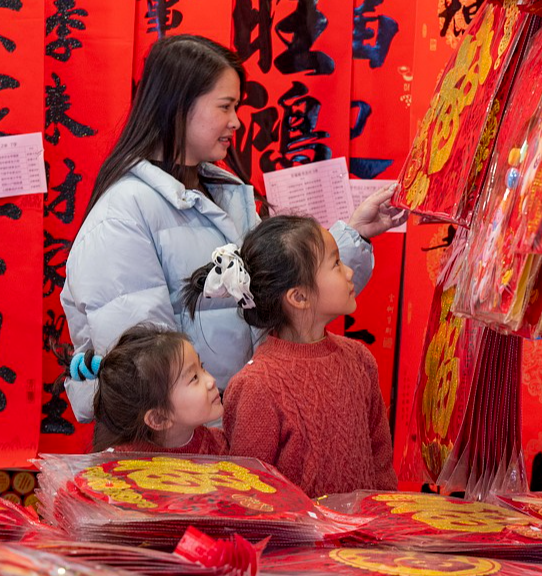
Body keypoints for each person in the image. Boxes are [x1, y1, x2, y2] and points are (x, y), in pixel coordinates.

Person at [61, 34, 401, 423]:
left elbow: (283, 291)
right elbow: (148, 371)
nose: (236, 122)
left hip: (238, 431)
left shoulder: (225, 195)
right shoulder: (121, 217)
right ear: (178, 107)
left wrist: (355, 234)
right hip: (183, 451)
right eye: (225, 107)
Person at [183, 215, 398, 497]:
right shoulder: (256, 385)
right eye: (336, 263)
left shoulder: (359, 359)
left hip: (363, 538)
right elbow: (250, 496)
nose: (348, 272)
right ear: (299, 297)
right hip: (296, 541)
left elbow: (381, 461)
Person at [69, 323, 226, 454]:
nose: (211, 381)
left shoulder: (220, 448)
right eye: (194, 378)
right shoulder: (118, 469)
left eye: (202, 367)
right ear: (158, 418)